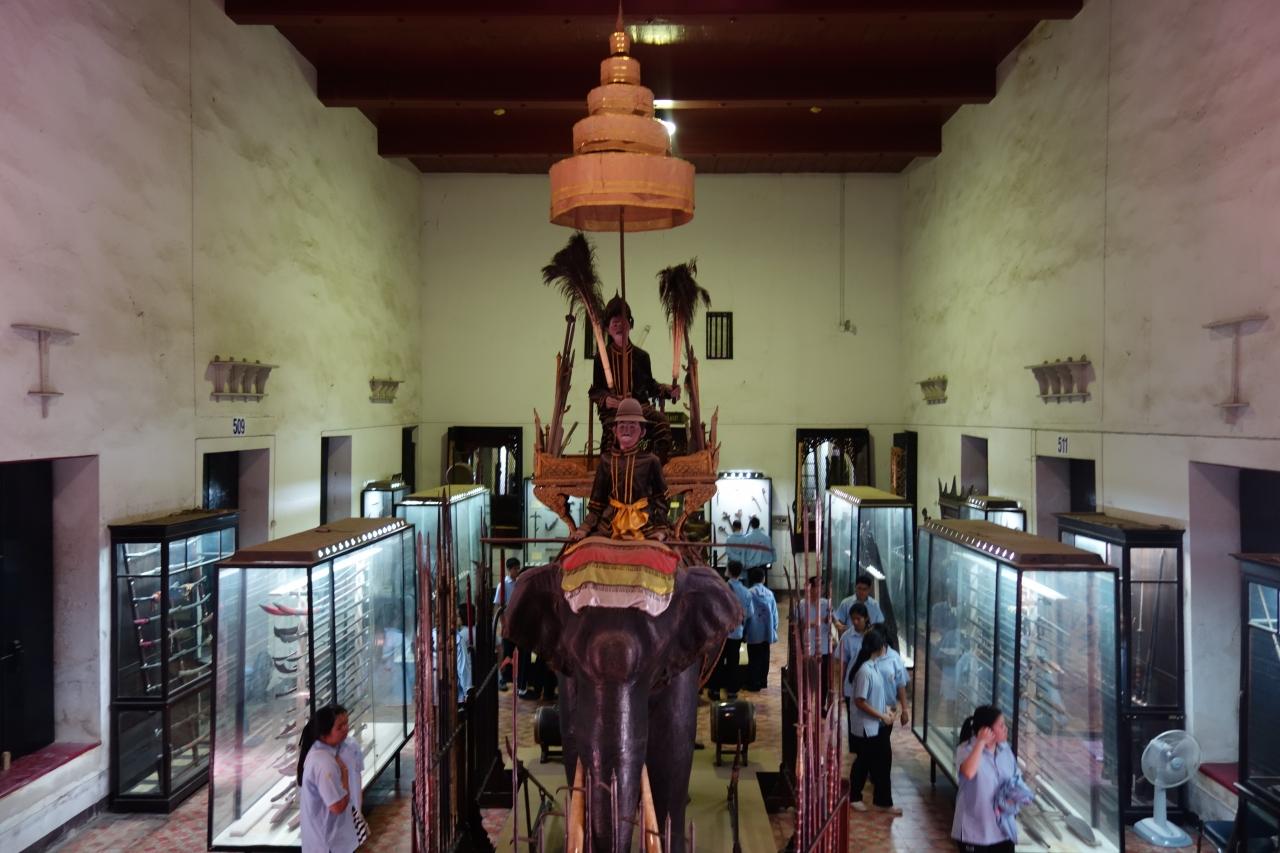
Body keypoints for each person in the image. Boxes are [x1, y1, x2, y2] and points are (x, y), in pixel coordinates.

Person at [588, 296, 679, 457]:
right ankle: (611, 469)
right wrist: (607, 399)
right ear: (607, 328)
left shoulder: (641, 356)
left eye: (623, 322)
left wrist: (667, 391)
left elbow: (650, 386)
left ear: (630, 325)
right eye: (615, 323)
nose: (619, 326)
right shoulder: (601, 358)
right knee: (609, 441)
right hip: (614, 413)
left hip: (640, 409)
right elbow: (595, 391)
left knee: (662, 424)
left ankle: (655, 465)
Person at [572, 397, 669, 542]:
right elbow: (597, 503)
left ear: (642, 432)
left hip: (644, 525)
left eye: (632, 425)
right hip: (609, 525)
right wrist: (584, 528)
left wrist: (661, 529)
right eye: (622, 425)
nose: (627, 430)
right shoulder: (606, 460)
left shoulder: (651, 461)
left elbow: (661, 499)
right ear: (614, 430)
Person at [298, 703, 366, 853]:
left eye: (346, 723)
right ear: (324, 734)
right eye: (339, 727)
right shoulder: (324, 763)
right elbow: (337, 806)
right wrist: (345, 775)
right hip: (328, 843)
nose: (346, 728)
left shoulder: (345, 747)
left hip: (334, 837)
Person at [953, 705, 1020, 853]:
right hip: (974, 832)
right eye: (1001, 725)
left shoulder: (1005, 750)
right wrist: (981, 742)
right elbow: (969, 772)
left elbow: (1016, 780)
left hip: (1003, 829)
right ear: (986, 730)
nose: (1005, 729)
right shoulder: (965, 749)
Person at [847, 630, 899, 815]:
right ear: (878, 647)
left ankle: (882, 800)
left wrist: (886, 711)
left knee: (880, 762)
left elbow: (874, 697)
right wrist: (881, 716)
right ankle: (855, 796)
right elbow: (860, 701)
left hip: (876, 724)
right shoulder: (865, 671)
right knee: (865, 761)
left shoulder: (874, 667)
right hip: (867, 726)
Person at [868, 624, 909, 810]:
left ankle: (880, 787)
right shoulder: (868, 657)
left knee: (882, 750)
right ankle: (880, 793)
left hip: (888, 711)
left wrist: (905, 709)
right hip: (871, 710)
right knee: (878, 751)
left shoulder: (894, 658)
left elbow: (901, 685)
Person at [709, 560, 753, 701]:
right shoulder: (746, 592)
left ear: (727, 571)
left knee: (718, 661)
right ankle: (732, 691)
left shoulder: (720, 589)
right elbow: (749, 614)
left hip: (721, 632)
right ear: (740, 573)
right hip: (737, 631)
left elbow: (714, 609)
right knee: (734, 661)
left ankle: (715, 690)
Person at [838, 601, 870, 749]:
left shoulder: (872, 636)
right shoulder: (847, 637)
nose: (855, 622)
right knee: (853, 717)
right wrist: (841, 685)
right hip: (851, 685)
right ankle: (855, 747)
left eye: (858, 619)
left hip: (869, 685)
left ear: (866, 618)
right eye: (853, 619)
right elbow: (843, 663)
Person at [796, 576, 833, 697]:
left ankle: (821, 704)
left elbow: (833, 620)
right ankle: (806, 702)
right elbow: (797, 625)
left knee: (823, 679)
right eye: (816, 587)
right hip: (808, 648)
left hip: (824, 648)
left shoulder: (827, 604)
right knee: (807, 679)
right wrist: (816, 622)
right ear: (809, 588)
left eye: (821, 587)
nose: (819, 590)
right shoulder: (801, 605)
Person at [742, 567, 778, 691]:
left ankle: (754, 683)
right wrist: (773, 628)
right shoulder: (770, 594)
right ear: (763, 579)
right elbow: (775, 614)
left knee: (753, 658)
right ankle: (763, 681)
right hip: (767, 632)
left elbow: (746, 614)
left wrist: (744, 630)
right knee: (765, 656)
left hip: (753, 631)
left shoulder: (748, 593)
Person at [494, 558, 520, 691]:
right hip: (507, 622)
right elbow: (498, 605)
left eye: (518, 568)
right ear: (509, 569)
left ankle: (517, 677)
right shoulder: (502, 585)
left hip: (518, 622)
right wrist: (503, 624)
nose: (517, 571)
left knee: (518, 651)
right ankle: (503, 678)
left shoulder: (519, 583)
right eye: (515, 568)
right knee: (507, 652)